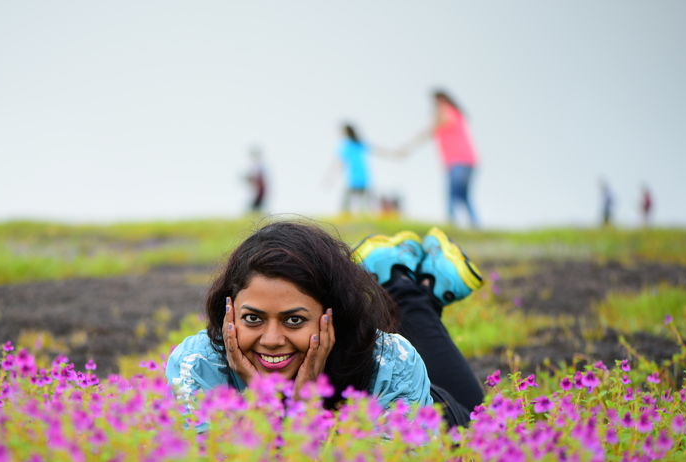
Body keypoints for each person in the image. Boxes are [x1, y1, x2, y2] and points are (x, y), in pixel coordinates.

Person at [166, 221, 485, 427]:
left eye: (294, 320)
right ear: (229, 313)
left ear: (333, 315)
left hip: (438, 414)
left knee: (479, 419)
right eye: (253, 318)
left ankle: (405, 285)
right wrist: (270, 402)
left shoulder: (390, 362)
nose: (273, 339)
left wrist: (303, 406)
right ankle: (399, 278)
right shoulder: (197, 364)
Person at [398, 90, 480, 228]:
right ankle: (474, 224)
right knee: (463, 196)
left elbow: (429, 130)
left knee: (453, 195)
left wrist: (408, 147)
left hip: (458, 161)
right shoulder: (457, 114)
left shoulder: (446, 112)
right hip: (468, 160)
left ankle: (451, 224)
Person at [323, 123, 394, 217]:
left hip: (358, 178)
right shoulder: (355, 145)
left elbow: (338, 164)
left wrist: (330, 177)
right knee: (361, 202)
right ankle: (352, 217)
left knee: (358, 202)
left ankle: (355, 217)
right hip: (360, 178)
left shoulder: (349, 146)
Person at [243, 147, 267, 215]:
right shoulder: (254, 166)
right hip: (254, 191)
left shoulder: (260, 166)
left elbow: (257, 179)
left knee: (256, 207)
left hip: (259, 191)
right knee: (254, 208)